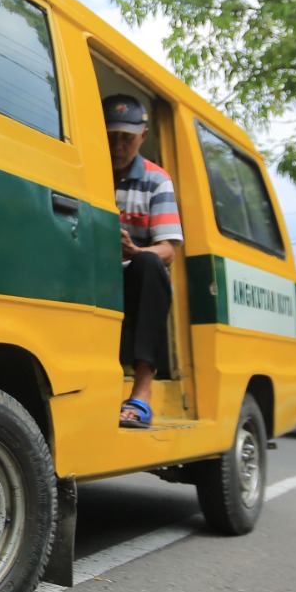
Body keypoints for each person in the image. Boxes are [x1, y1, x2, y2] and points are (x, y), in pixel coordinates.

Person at [103, 94, 183, 429]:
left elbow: (168, 250)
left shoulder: (157, 179)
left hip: (132, 280)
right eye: (111, 137)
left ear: (143, 137)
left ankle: (141, 391)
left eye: (127, 138)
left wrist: (135, 251)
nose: (118, 147)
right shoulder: (85, 169)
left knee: (151, 265)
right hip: (91, 274)